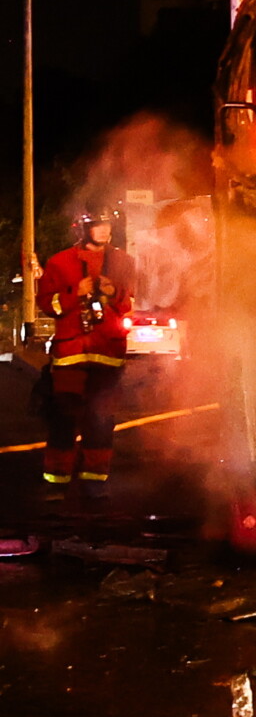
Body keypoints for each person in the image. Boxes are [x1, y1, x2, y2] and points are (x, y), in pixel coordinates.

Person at [37, 209, 137, 502]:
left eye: (107, 225)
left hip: (108, 352)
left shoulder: (124, 262)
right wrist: (73, 293)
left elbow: (128, 304)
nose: (104, 231)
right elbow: (48, 305)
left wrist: (113, 292)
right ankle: (57, 482)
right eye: (97, 226)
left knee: (101, 420)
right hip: (70, 354)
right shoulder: (59, 262)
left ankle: (95, 482)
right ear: (83, 229)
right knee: (63, 419)